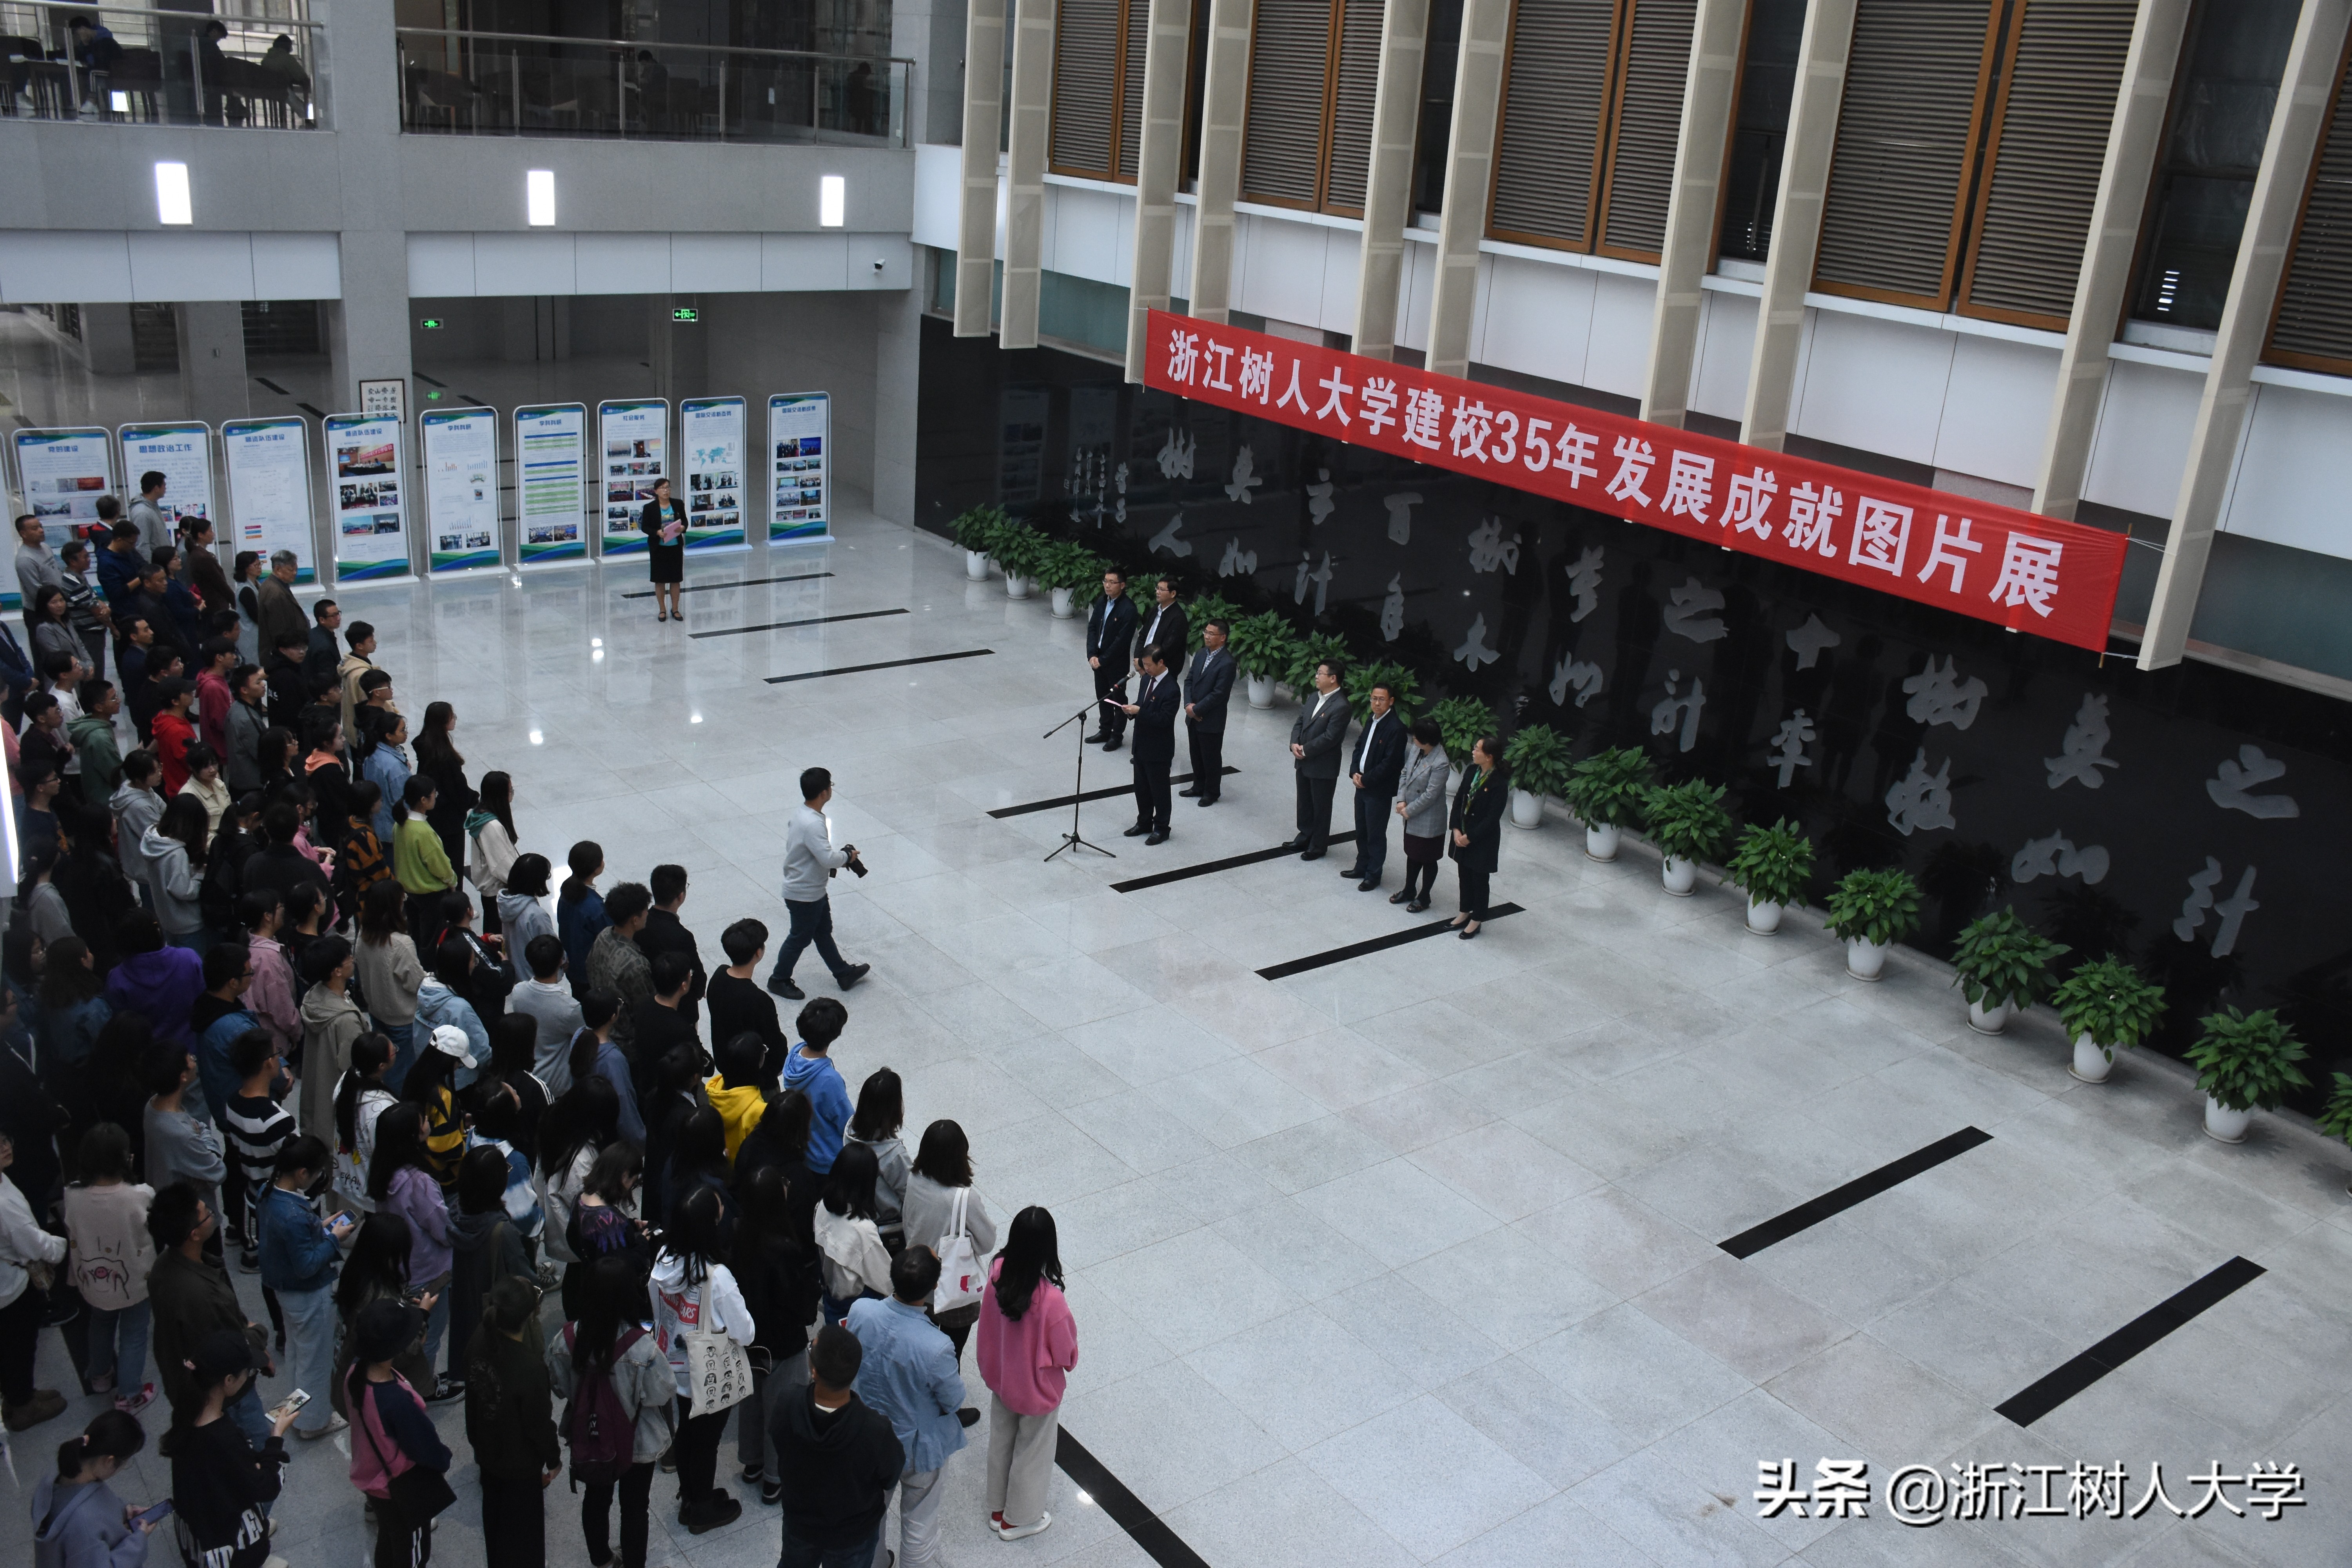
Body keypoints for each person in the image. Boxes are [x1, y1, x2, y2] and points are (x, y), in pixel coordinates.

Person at [548, 1252, 675, 1568]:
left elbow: (560, 1386)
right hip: (637, 1441)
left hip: (590, 1435)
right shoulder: (642, 1346)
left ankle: (602, 1558)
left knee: (596, 1498)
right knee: (635, 1507)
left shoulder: (565, 1340)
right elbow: (661, 1393)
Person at [848, 1247, 968, 1568]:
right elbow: (955, 1400)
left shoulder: (861, 1311)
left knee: (872, 1514)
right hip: (916, 1447)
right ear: (932, 1290)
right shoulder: (937, 1346)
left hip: (867, 1438)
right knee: (919, 1519)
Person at [649, 1183, 754, 1532]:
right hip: (708, 1373)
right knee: (707, 1441)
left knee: (688, 1430)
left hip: (675, 1366)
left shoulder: (664, 1258)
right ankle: (702, 1509)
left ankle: (691, 1495)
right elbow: (746, 1332)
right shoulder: (717, 1277)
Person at [145, 1181, 273, 1449]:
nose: (212, 1213)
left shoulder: (163, 1266)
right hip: (227, 1394)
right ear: (193, 1234)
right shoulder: (200, 1294)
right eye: (207, 1212)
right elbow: (232, 1346)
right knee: (261, 1441)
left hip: (189, 1383)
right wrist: (258, 1334)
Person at [976, 1206, 1078, 1541]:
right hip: (1036, 1390)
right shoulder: (1052, 1301)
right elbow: (1066, 1354)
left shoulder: (997, 1272)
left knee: (1001, 1440)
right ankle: (1017, 1519)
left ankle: (996, 1507)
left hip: (1001, 1378)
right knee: (1032, 1452)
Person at [769, 1322, 903, 1568]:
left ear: (815, 1372)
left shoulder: (788, 1403)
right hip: (853, 1534)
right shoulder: (875, 1430)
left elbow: (778, 1440)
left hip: (800, 1522)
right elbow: (890, 1475)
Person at [730, 1163, 819, 1504]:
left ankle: (752, 1463)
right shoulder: (784, 1247)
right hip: (784, 1340)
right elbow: (797, 1298)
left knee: (752, 1402)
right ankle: (775, 1477)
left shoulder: (739, 1231)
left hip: (749, 1336)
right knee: (783, 1410)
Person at [256, 1133, 353, 1440]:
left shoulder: (267, 1192)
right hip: (309, 1295)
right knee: (317, 1361)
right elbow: (308, 1265)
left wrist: (321, 1228)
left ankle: (294, 1410)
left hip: (285, 1292)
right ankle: (313, 1423)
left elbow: (291, 1244)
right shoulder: (295, 1216)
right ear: (302, 1174)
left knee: (299, 1354)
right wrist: (334, 1238)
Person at [345, 1297, 453, 1568]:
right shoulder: (395, 1400)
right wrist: (443, 1457)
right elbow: (424, 1447)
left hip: (372, 1479)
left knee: (390, 1540)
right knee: (413, 1554)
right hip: (400, 1490)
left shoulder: (354, 1373)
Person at [172, 1330, 294, 1568]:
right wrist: (277, 1436)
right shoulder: (223, 1437)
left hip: (201, 1523)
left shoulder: (187, 1411)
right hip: (229, 1540)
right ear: (228, 1380)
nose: (249, 1377)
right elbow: (265, 1487)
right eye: (247, 1373)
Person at [465, 1274, 559, 1568]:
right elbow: (538, 1425)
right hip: (519, 1465)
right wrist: (553, 1459)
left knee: (495, 1528)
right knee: (524, 1541)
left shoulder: (479, 1339)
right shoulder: (530, 1368)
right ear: (531, 1315)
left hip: (487, 1448)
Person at [62, 1124, 155, 1416]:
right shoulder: (139, 1195)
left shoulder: (72, 1194)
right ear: (125, 1159)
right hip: (135, 1282)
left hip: (93, 1282)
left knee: (99, 1325)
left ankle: (99, 1376)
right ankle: (129, 1395)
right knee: (134, 1335)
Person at [369, 1103, 460, 1399]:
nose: (427, 1121)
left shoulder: (384, 1171)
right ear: (412, 1135)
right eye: (423, 1119)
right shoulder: (419, 1181)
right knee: (428, 1337)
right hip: (430, 1273)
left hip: (401, 1268)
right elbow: (442, 1229)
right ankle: (426, 1389)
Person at [766, 768, 869, 1000]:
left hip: (811, 889)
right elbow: (826, 859)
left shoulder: (802, 814)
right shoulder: (812, 824)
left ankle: (843, 973)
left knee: (823, 933)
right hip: (805, 894)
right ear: (824, 793)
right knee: (800, 938)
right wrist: (847, 858)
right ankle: (778, 979)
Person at [902, 1120, 996, 1368]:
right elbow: (987, 1243)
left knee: (921, 1350)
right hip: (954, 1289)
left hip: (918, 1281)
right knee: (949, 1355)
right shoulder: (965, 1199)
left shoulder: (913, 1179)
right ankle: (946, 1401)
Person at [1, 1127, 70, 1430]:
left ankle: (20, 1395)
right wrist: (63, 1245)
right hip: (10, 1287)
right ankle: (22, 1404)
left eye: (5, 1139)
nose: (6, 1147)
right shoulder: (4, 1205)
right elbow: (32, 1243)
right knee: (20, 1344)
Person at [446, 1145, 530, 1390]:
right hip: (499, 1315)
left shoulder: (455, 1213)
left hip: (466, 1307)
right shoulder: (503, 1232)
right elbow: (524, 1276)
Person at [31, 1408, 158, 1568]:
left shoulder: (56, 1473)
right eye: (125, 1462)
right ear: (109, 1461)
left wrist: (123, 1512)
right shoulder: (85, 1524)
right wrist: (138, 1540)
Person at [221, 1028, 296, 1274]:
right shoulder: (277, 1120)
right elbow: (298, 1163)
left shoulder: (232, 1103)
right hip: (279, 1201)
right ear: (268, 1063)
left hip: (253, 1191)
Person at [813, 1141, 892, 1325]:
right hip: (857, 1308)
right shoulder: (863, 1231)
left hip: (832, 1298)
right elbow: (888, 1282)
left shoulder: (822, 1206)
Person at [1340, 680, 1408, 891]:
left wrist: (1366, 779)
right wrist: (1354, 772)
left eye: (1381, 700)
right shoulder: (1372, 719)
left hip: (1377, 790)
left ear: (1391, 702)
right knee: (1361, 829)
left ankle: (1373, 874)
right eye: (1374, 699)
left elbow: (1390, 764)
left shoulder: (1396, 729)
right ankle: (1361, 866)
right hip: (1361, 785)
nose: (1377, 703)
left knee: (1376, 833)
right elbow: (1359, 746)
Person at [356, 881, 425, 1087]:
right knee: (402, 1072)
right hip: (402, 1019)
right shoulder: (401, 944)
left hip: (376, 1011)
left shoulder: (363, 934)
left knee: (384, 1067)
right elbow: (416, 983)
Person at [781, 996, 854, 1179]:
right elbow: (848, 1124)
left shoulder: (794, 1056)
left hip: (804, 1149)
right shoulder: (830, 1080)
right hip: (827, 1161)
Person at [298, 936, 363, 1137]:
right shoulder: (346, 1021)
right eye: (349, 958)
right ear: (337, 971)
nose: (353, 959)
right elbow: (353, 1068)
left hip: (318, 1091)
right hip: (340, 1099)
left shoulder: (314, 997)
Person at [1287, 658, 1350, 861]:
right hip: (1304, 760)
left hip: (1323, 766)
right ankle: (1305, 835)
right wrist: (1294, 743)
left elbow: (1330, 738)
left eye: (1320, 673)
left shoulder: (1341, 706)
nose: (1316, 676)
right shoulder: (1315, 697)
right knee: (1304, 802)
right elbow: (1300, 721)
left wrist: (1305, 750)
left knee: (1321, 806)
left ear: (1333, 679)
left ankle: (1318, 845)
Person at [1118, 643, 1180, 844]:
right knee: (1142, 788)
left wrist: (1140, 712)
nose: (1145, 669)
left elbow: (1163, 720)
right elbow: (1142, 704)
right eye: (1143, 665)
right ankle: (1144, 821)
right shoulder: (1147, 680)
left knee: (1159, 790)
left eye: (1149, 665)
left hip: (1159, 749)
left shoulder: (1171, 689)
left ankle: (1162, 827)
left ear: (1161, 662)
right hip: (1141, 744)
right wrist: (1131, 710)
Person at [1448, 733, 1508, 938]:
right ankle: (1464, 911)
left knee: (1479, 880)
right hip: (1462, 834)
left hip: (1481, 841)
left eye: (1477, 749)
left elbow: (1492, 819)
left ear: (1489, 756)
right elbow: (1459, 800)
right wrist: (1456, 828)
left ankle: (1477, 919)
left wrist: (1470, 837)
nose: (1473, 752)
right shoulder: (1472, 771)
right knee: (1464, 875)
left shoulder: (1499, 783)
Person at [332, 1033, 397, 1213]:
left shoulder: (347, 1080)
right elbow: (385, 1152)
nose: (396, 1052)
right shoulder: (382, 1108)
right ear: (382, 1066)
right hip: (375, 1184)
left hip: (356, 1176)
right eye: (394, 1051)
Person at [844, 1068, 908, 1250]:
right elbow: (911, 1194)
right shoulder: (895, 1156)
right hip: (890, 1225)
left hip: (860, 1213)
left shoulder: (850, 1131)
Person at [510, 935, 583, 1093]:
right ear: (560, 962)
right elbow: (583, 1039)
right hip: (558, 1082)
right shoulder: (570, 1008)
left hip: (529, 1074)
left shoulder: (518, 993)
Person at [1392, 717, 1451, 912]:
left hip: (1428, 819)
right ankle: (1409, 889)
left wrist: (1408, 810)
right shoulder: (1417, 750)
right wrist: (1401, 799)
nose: (1413, 738)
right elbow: (1405, 772)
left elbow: (1431, 795)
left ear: (1426, 740)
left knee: (1428, 858)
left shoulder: (1441, 763)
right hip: (1410, 812)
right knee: (1413, 854)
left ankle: (1425, 896)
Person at [588, 882, 655, 1049]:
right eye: (645, 910)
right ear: (635, 919)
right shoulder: (635, 965)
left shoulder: (604, 936)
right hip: (628, 1044)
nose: (648, 913)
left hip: (602, 1027)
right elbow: (646, 1010)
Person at [635, 862, 704, 1021]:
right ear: (681, 896)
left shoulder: (639, 923)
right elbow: (697, 976)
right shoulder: (682, 936)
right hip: (678, 1008)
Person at [1180, 616, 1234, 805]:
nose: (1207, 636)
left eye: (1212, 634)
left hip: (1211, 719)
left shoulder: (1227, 663)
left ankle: (1212, 792)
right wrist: (1188, 705)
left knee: (1210, 757)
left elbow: (1219, 694)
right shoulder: (1202, 653)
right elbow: (1189, 680)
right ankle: (1198, 786)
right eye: (1206, 632)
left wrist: (1197, 709)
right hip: (1193, 715)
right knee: (1196, 753)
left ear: (1223, 638)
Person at [1081, 565, 1136, 751]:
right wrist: (1092, 655)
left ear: (1122, 585)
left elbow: (1122, 641)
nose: (1107, 586)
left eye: (1112, 582)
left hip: (1116, 663)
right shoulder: (1102, 602)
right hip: (1099, 660)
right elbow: (1093, 628)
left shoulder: (1128, 609)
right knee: (1102, 697)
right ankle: (1104, 730)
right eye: (1105, 581)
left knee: (1117, 699)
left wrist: (1103, 659)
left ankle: (1116, 736)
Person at [466, 770, 517, 936]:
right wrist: (524, 881)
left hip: (491, 891)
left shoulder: (482, 815)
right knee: (499, 937)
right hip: (497, 892)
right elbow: (502, 865)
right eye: (510, 791)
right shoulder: (491, 827)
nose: (512, 795)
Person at [555, 842, 609, 992]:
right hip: (590, 973)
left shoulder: (566, 891)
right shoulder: (595, 908)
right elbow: (607, 938)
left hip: (572, 965)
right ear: (597, 868)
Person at [69, 681, 124, 807]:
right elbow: (115, 775)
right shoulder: (100, 738)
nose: (119, 700)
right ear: (99, 707)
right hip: (108, 802)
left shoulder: (99, 725)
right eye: (113, 699)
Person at [640, 478, 688, 621]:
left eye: (668, 487)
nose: (666, 490)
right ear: (656, 492)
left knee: (675, 579)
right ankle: (662, 610)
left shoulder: (678, 504)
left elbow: (685, 521)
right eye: (662, 488)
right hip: (659, 548)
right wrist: (657, 533)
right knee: (660, 580)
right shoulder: (650, 508)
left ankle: (675, 609)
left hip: (675, 547)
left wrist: (683, 528)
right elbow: (645, 527)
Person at [252, 552, 307, 659]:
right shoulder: (275, 593)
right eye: (291, 570)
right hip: (283, 655)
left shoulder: (276, 586)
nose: (295, 573)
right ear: (278, 569)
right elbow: (280, 631)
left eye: (296, 569)